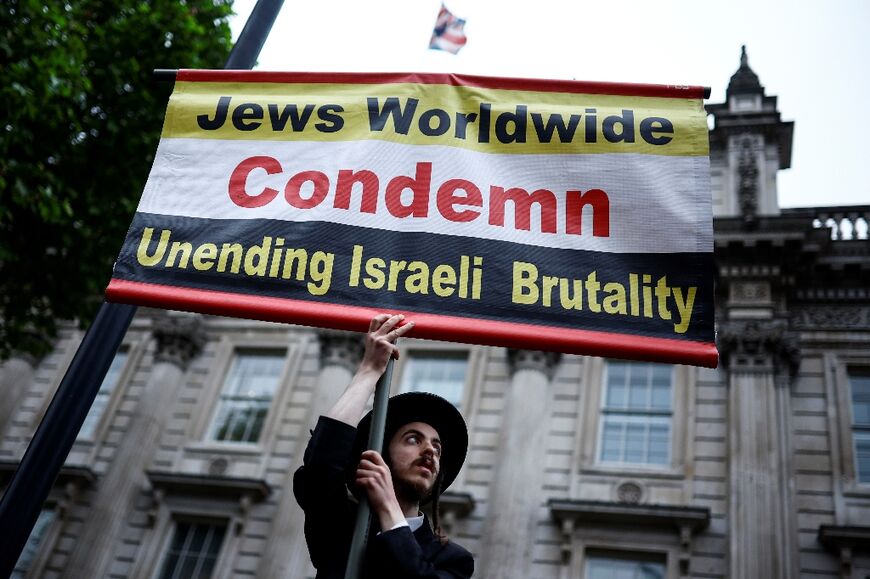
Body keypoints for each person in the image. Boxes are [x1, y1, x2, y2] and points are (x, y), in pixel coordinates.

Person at [294, 313, 475, 579]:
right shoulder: (341, 526)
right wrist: (369, 370)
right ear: (381, 455)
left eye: (437, 447)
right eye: (413, 439)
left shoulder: (453, 560)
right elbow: (320, 466)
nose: (430, 451)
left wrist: (388, 505)